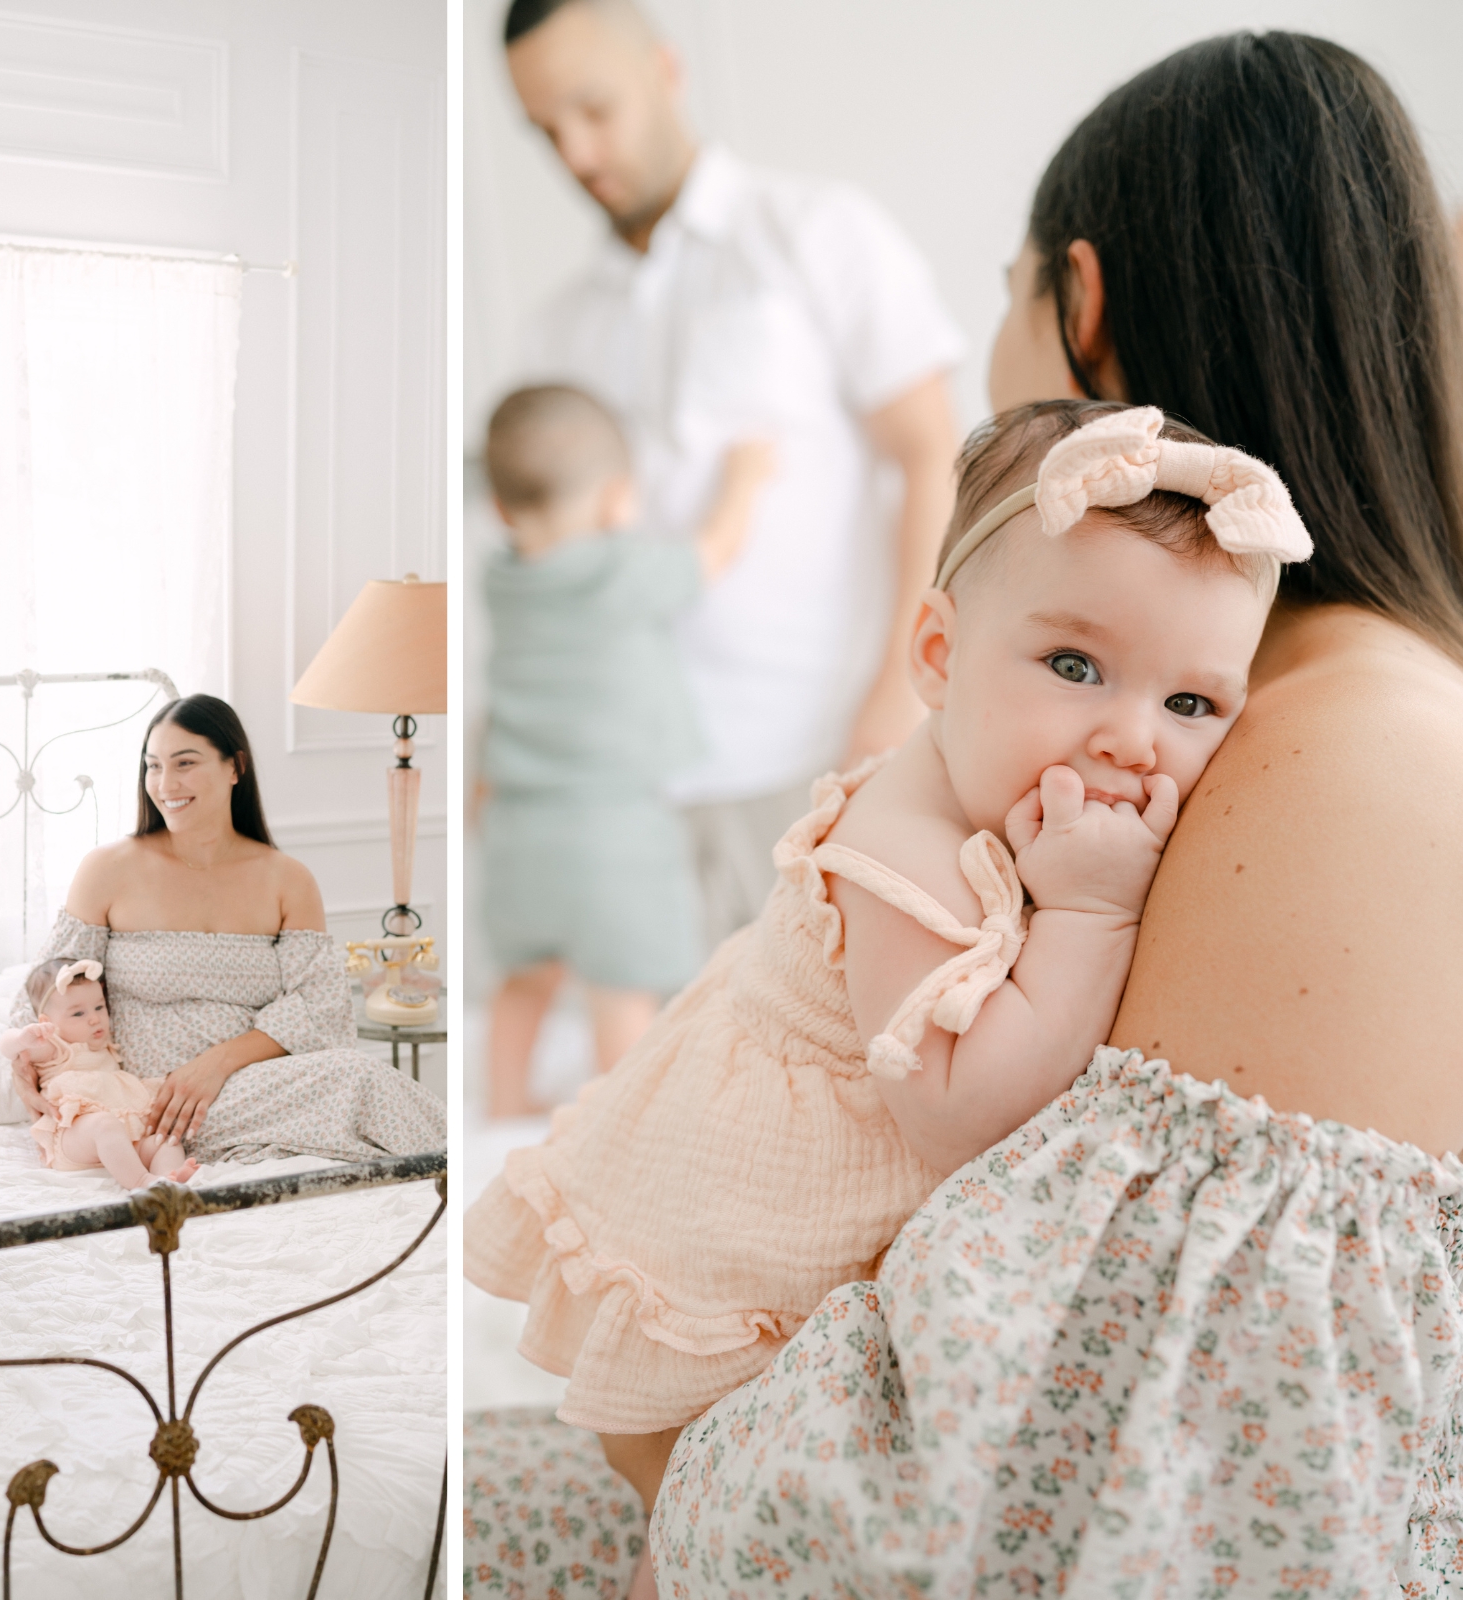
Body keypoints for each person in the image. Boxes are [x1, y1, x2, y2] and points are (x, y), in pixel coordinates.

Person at [639, 33, 1463, 1595]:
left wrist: (681, 1442)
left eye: (1004, 290)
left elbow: (1073, 1448)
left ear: (1076, 304)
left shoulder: (1340, 755)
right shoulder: (1322, 701)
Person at [467, 400, 1306, 1594]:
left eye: (1190, 704)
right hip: (737, 1254)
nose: (1129, 738)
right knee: (717, 1520)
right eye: (1074, 666)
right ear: (935, 654)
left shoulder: (998, 778)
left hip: (781, 1223)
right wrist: (1089, 914)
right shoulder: (903, 845)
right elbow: (958, 1109)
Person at [502, 0, 965, 946]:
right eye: (547, 131)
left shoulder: (815, 232)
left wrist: (899, 697)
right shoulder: (555, 331)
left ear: (666, 71)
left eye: (596, 110)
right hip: (631, 796)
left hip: (820, 757)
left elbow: (935, 456)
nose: (579, 155)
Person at [476, 384, 773, 1115]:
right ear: (617, 499)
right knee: (621, 987)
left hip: (516, 829)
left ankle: (506, 1105)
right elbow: (718, 550)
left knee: (525, 979)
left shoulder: (501, 580)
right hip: (613, 830)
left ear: (501, 509)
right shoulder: (621, 571)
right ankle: (617, 1114)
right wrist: (747, 474)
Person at [11, 694, 445, 1164]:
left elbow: (324, 1009)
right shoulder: (108, 870)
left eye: (185, 763)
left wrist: (216, 1064)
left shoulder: (287, 879)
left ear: (235, 766)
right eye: (152, 766)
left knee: (360, 1078)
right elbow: (43, 994)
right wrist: (26, 1065)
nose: (165, 783)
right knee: (360, 1084)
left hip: (254, 1087)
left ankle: (458, 1183)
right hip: (149, 1100)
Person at [1, 957, 199, 1189]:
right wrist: (22, 1038)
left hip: (124, 1143)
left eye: (99, 1007)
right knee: (104, 1125)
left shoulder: (105, 1043)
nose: (94, 1018)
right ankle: (142, 1182)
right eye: (78, 1014)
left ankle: (168, 1177)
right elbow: (7, 1048)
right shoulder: (54, 1046)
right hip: (75, 1139)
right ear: (48, 1022)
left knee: (164, 1140)